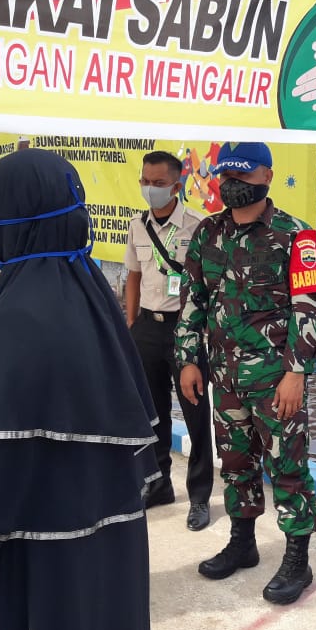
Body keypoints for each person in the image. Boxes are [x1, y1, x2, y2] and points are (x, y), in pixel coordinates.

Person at [0, 148, 158, 630]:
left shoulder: (17, 311)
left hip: (36, 557)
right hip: (109, 544)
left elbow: (4, 461)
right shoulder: (93, 296)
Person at [176, 141, 316, 606]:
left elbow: (311, 309)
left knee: (287, 468)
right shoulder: (208, 233)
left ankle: (297, 559)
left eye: (243, 177)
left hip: (275, 380)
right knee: (237, 464)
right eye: (226, 176)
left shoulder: (295, 236)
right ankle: (242, 543)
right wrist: (187, 359)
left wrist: (296, 373)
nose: (232, 185)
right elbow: (194, 301)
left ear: (266, 176)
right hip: (224, 380)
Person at [124, 150, 215, 531]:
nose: (150, 189)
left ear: (177, 186)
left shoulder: (198, 226)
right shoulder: (137, 225)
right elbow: (132, 276)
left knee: (195, 414)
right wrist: (131, 324)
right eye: (145, 181)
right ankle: (159, 482)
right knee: (152, 412)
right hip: (147, 326)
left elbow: (209, 285)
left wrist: (201, 333)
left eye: (158, 184)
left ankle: (199, 497)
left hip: (185, 330)